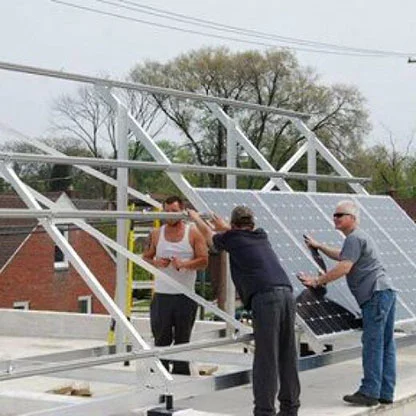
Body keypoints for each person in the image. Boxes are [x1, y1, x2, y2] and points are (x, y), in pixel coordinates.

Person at [189, 206, 300, 416]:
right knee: (287, 355)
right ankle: (290, 409)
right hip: (286, 293)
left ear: (233, 224)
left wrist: (195, 218)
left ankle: (264, 411)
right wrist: (226, 228)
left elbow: (210, 237)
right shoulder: (261, 235)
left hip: (266, 298)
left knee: (266, 358)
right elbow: (235, 234)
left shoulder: (233, 238)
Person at [298, 199, 396, 407]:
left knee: (373, 344)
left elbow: (344, 267)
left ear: (352, 218)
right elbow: (342, 255)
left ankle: (369, 392)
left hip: (375, 296)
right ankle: (385, 392)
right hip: (385, 293)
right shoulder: (357, 238)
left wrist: (317, 280)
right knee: (386, 344)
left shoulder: (354, 238)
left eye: (339, 215)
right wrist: (320, 247)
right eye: (334, 215)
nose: (335, 218)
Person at [143, 196, 208, 375]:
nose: (169, 215)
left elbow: (204, 261)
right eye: (166, 211)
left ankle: (181, 378)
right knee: (161, 339)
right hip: (162, 296)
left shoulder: (193, 233)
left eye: (173, 211)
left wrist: (184, 264)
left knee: (182, 341)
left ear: (182, 211)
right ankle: (161, 379)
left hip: (185, 296)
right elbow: (146, 257)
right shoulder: (156, 234)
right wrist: (157, 262)